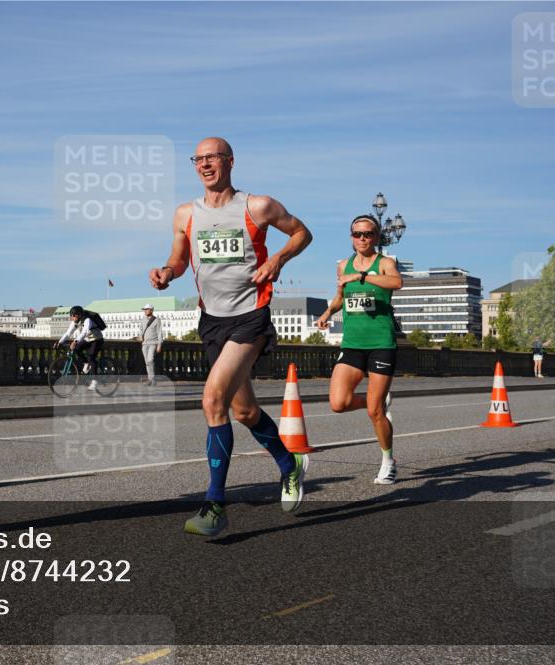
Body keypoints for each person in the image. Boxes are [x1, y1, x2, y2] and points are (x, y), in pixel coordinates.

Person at [148, 137, 312, 536]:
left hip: (249, 317)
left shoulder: (258, 206)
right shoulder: (185, 213)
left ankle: (215, 505)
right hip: (212, 321)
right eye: (199, 159)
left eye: (213, 158)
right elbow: (180, 258)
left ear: (230, 162)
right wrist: (167, 272)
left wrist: (277, 258)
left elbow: (301, 233)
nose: (205, 165)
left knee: (212, 399)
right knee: (244, 411)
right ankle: (290, 466)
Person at [315, 215, 403, 484]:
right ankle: (376, 402)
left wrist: (364, 276)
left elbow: (396, 283)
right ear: (351, 237)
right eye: (357, 234)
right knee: (338, 403)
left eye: (368, 234)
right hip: (352, 343)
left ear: (376, 237)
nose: (362, 239)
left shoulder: (385, 263)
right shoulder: (343, 265)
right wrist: (328, 311)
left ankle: (388, 461)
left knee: (375, 413)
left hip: (381, 344)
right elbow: (341, 295)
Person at [57, 305, 105, 392]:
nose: (71, 318)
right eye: (71, 316)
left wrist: (75, 341)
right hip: (87, 339)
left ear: (79, 315)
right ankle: (86, 363)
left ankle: (95, 381)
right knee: (75, 349)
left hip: (96, 339)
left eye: (73, 315)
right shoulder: (75, 322)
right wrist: (59, 342)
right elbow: (68, 333)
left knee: (91, 357)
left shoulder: (87, 320)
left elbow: (84, 332)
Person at [139, 303, 162, 386]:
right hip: (145, 344)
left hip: (153, 343)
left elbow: (159, 333)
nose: (144, 311)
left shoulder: (157, 320)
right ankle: (151, 380)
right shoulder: (142, 320)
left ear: (151, 310)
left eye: (146, 309)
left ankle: (152, 379)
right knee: (147, 363)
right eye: (144, 309)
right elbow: (141, 330)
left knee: (150, 360)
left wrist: (159, 345)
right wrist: (141, 337)